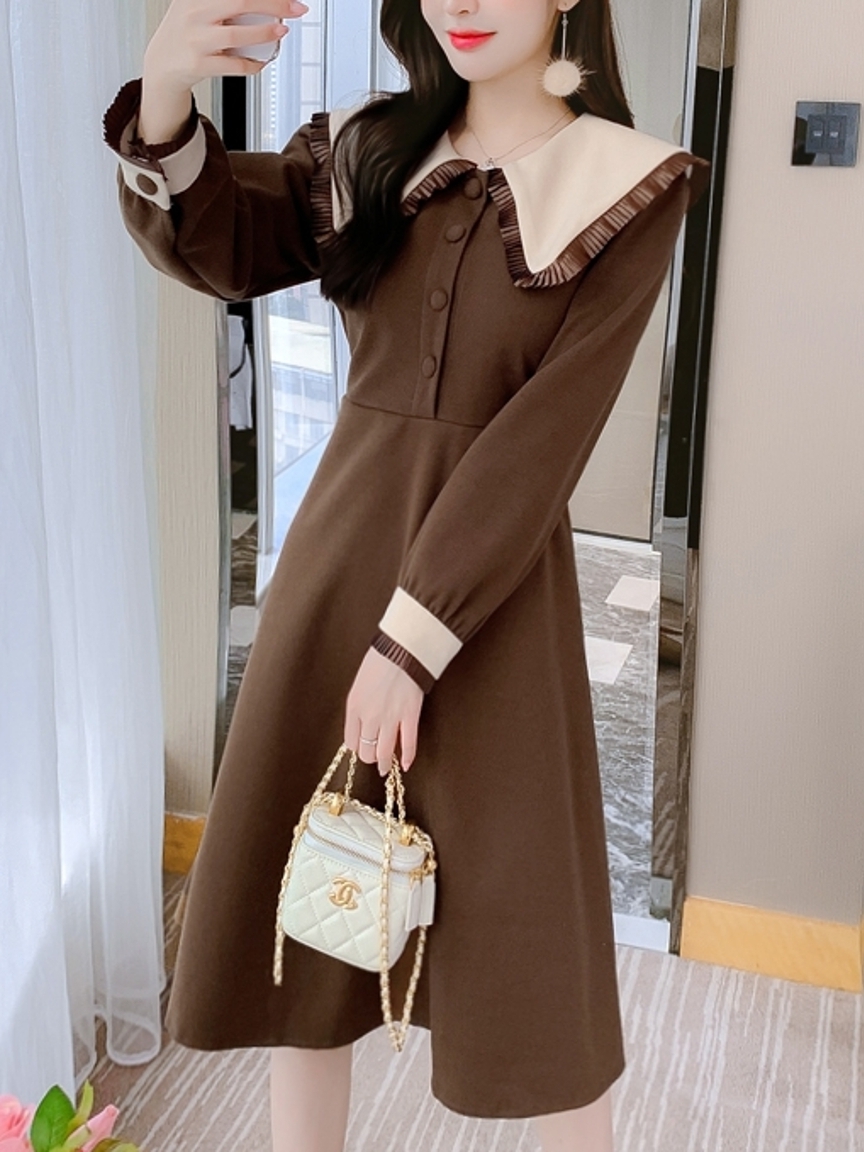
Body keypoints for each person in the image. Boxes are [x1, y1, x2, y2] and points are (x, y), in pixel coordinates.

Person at [102, 0, 709, 1148]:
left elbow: (542, 442)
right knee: (311, 931)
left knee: (536, 960)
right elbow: (222, 240)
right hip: (336, 576)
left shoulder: (632, 184)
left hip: (494, 600)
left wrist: (410, 642)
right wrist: (167, 84)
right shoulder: (369, 147)